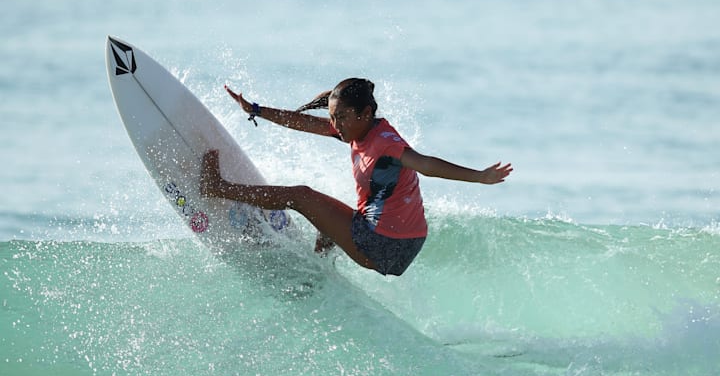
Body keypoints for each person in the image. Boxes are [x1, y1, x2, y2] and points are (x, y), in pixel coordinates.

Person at [200, 78, 512, 276]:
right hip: (401, 242)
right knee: (327, 215)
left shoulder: (385, 144)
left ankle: (217, 187)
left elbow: (425, 164)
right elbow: (304, 123)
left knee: (302, 196)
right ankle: (321, 271)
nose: (336, 125)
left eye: (341, 118)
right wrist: (256, 109)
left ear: (365, 113)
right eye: (332, 117)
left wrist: (479, 177)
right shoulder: (359, 129)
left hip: (385, 246)